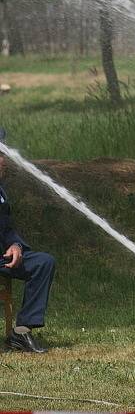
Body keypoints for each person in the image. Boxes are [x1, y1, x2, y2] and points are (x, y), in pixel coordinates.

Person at [0, 151, 55, 353]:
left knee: (43, 262)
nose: (3, 161)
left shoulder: (1, 192)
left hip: (3, 257)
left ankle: (21, 331)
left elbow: (7, 229)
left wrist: (16, 246)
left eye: (2, 154)